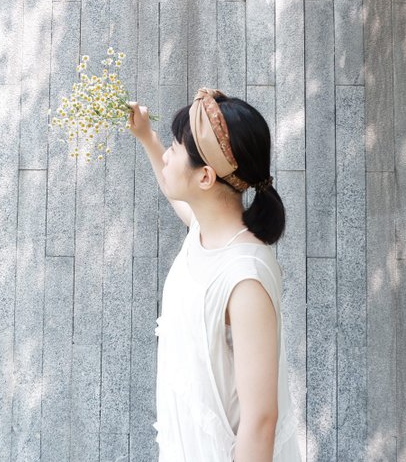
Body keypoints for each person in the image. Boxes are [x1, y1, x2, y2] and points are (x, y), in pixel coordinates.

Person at [127, 88, 302, 461]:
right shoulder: (205, 233)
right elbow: (176, 195)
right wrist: (148, 137)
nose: (169, 157)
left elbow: (261, 420)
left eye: (175, 148)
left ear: (205, 177)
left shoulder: (245, 277)